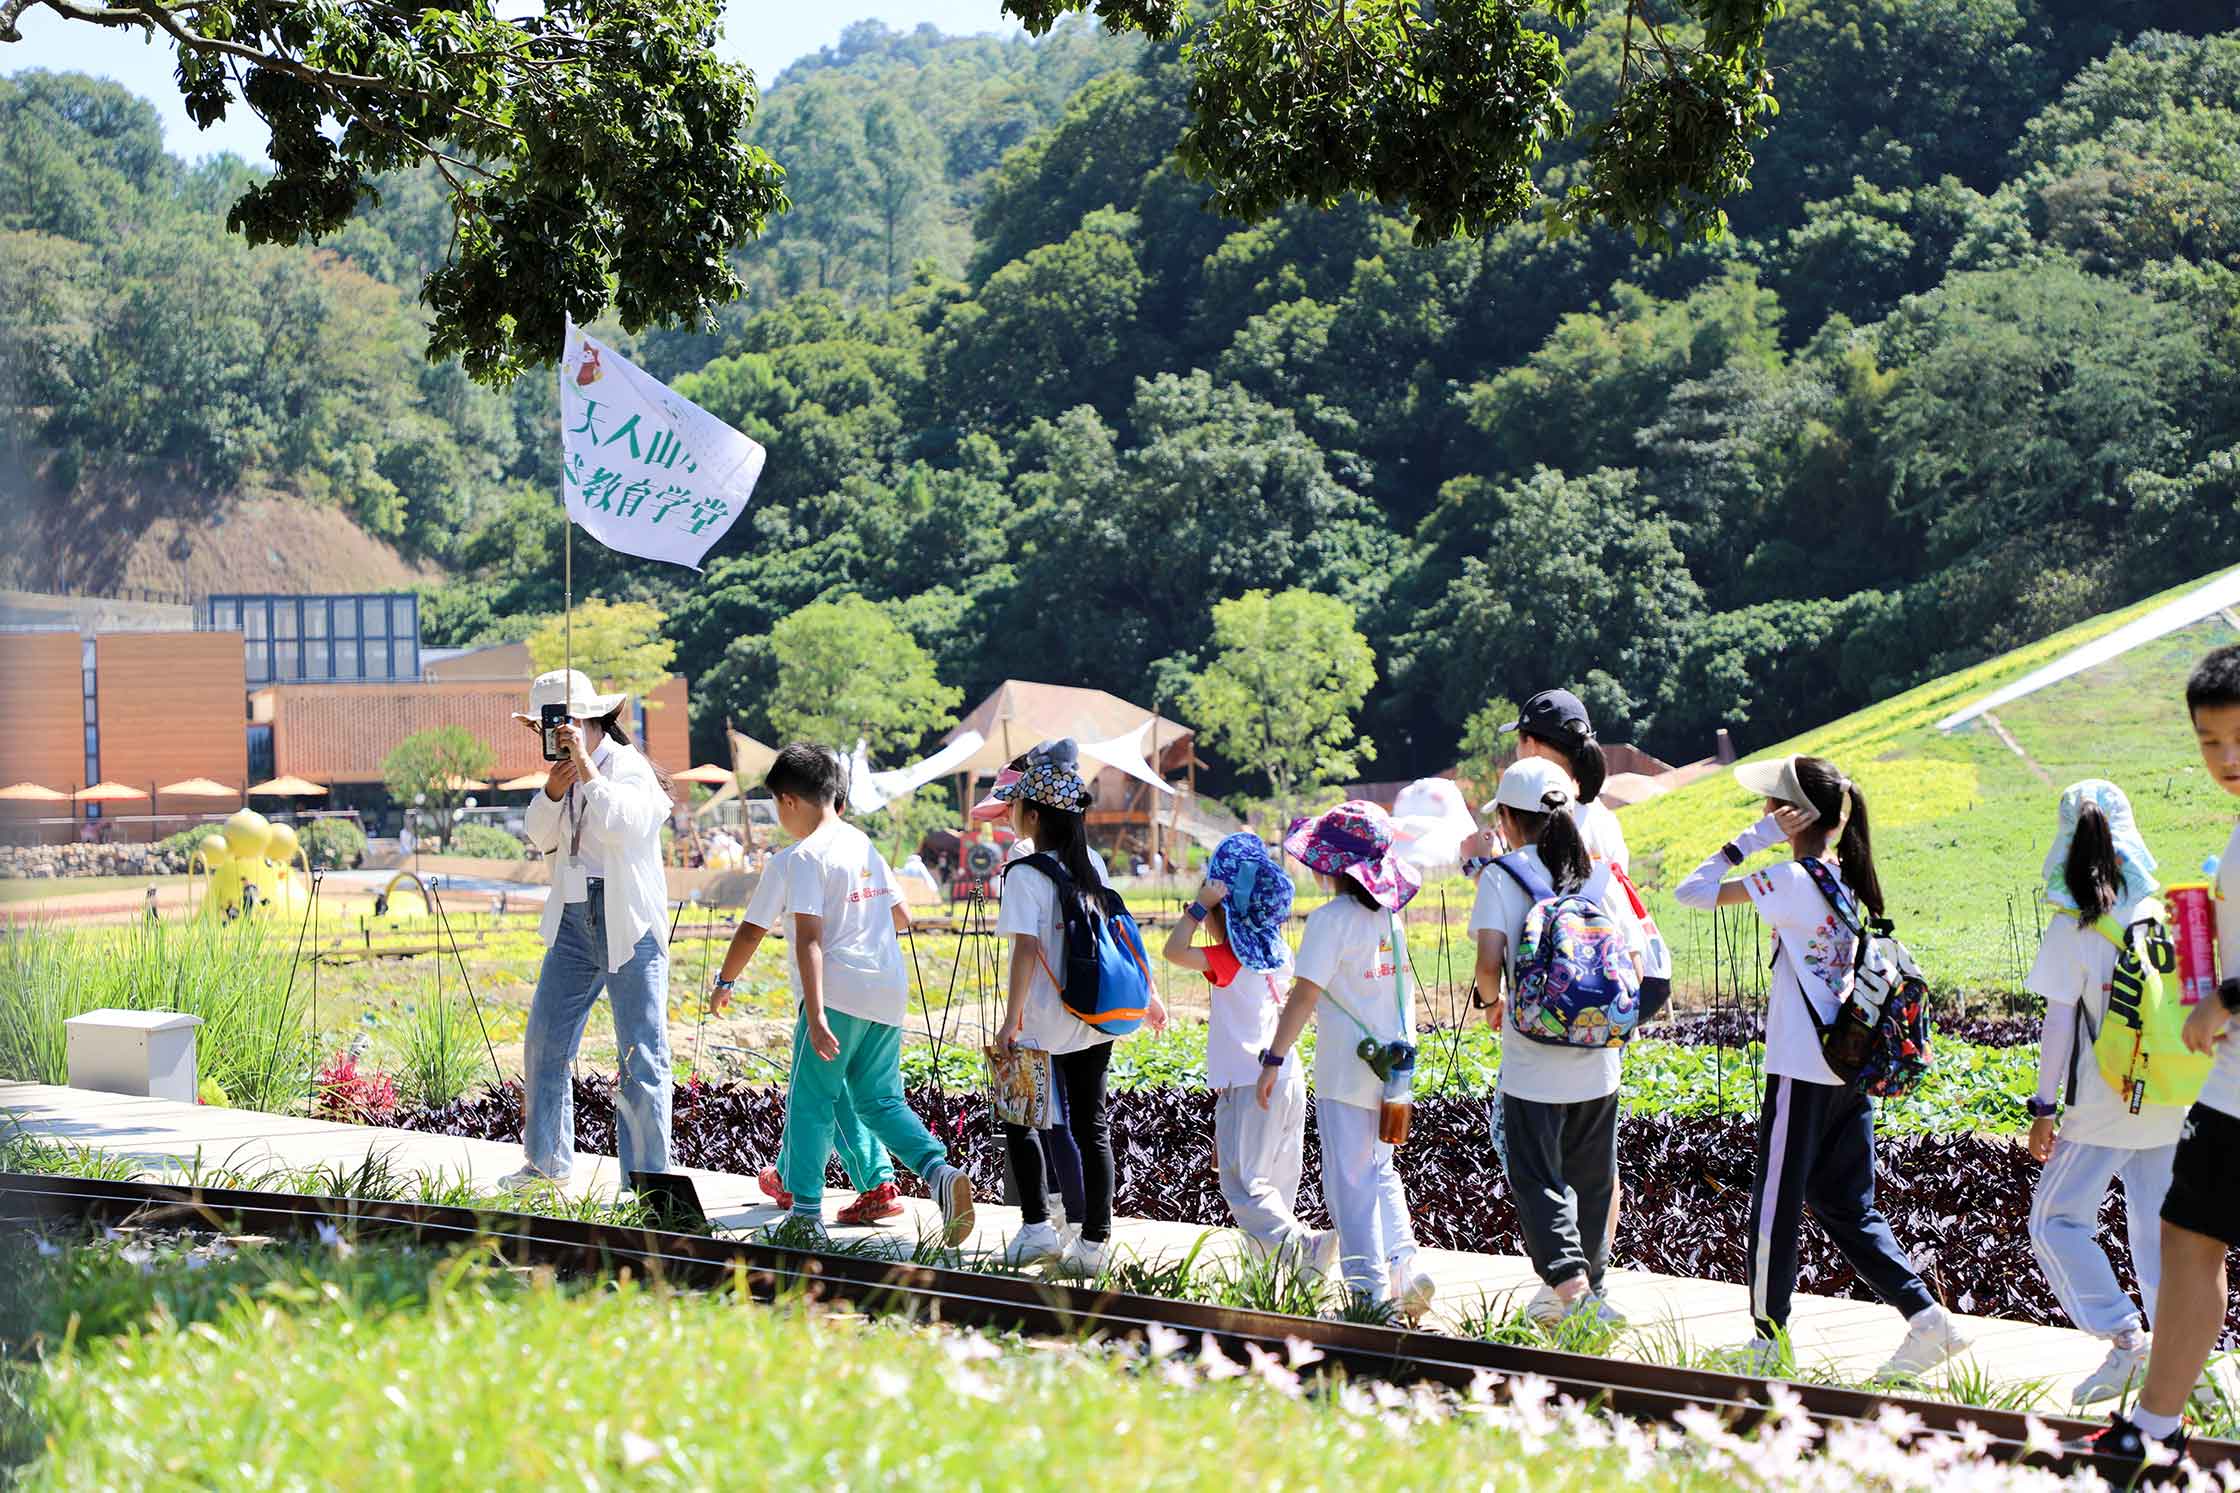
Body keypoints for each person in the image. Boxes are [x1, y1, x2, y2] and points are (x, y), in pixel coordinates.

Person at [1674, 753, 1965, 1380]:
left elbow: (1690, 893)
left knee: (1775, 1205)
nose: (1762, 813)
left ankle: (1768, 1339)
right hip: (1847, 1066)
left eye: (1771, 806)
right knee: (1846, 1206)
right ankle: (1927, 1318)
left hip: (1801, 1067)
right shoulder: (1846, 879)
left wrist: (1752, 841)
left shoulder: (1792, 881)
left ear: (1793, 816)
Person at [719, 743, 974, 1244]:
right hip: (886, 990)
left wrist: (812, 1014)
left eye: (776, 805)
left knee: (812, 1102)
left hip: (835, 996)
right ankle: (940, 1173)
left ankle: (805, 1215)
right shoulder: (862, 844)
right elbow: (902, 916)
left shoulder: (804, 857)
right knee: (879, 1100)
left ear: (789, 801)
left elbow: (806, 938)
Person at [2092, 645, 2240, 1463]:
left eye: (2239, 738)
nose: (2226, 760)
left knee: (2190, 1235)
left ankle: (2152, 1429)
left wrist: (2226, 998)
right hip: (2230, 1086)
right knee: (2187, 1234)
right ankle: (2153, 1428)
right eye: (2209, 741)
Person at [1471, 757, 1646, 1329]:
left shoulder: (1502, 875)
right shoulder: (1601, 873)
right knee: (1593, 1178)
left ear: (1506, 818)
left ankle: (1574, 1292)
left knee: (1536, 1175)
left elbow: (1488, 961)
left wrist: (1491, 1002)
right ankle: (1591, 1291)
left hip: (1533, 1063)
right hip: (1600, 1060)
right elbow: (1637, 961)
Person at [2024, 780, 2177, 1407]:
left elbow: (2059, 1025)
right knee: (2158, 1230)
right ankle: (2178, 1360)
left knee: (2053, 1221)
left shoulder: (2074, 927)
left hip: (2105, 1104)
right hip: (2171, 1096)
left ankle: (2124, 1341)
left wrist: (2042, 1109)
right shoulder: (2159, 914)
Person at [990, 739, 1166, 1275]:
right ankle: (1093, 1245)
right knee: (1092, 1125)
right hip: (1092, 1016)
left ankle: (1038, 1228)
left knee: (1021, 1118)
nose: (1013, 812)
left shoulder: (1024, 873)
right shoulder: (1088, 860)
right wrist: (1152, 993)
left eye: (1018, 804)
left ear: (1035, 813)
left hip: (1044, 1020)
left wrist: (1010, 1020)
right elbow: (1118, 932)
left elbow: (1026, 949)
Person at [1258, 800, 1435, 1318]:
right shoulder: (1389, 918)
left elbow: (1304, 997)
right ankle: (1406, 1269)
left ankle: (1368, 1292)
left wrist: (1274, 1058)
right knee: (1380, 1171)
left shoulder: (1330, 921)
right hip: (1393, 1068)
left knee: (1348, 1181)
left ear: (1333, 865)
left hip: (1347, 1070)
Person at [504, 670, 675, 1190]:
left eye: (557, 723)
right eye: (544, 727)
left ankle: (647, 1184)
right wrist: (553, 793)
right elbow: (537, 836)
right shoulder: (562, 774)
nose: (550, 734)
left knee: (641, 1052)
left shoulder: (626, 767)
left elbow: (623, 825)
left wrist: (584, 768)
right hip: (575, 918)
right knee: (545, 1042)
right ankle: (544, 1166)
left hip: (629, 921)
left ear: (586, 720)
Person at [1161, 831, 1335, 1272]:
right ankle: (1276, 1278)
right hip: (1287, 1075)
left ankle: (1302, 1246)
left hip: (1248, 1081)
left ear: (1225, 914)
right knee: (1275, 1187)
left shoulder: (1225, 958)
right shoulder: (1281, 954)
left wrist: (1198, 908)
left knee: (1245, 1187)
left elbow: (1173, 951)